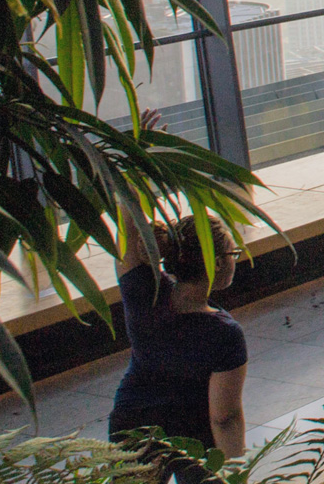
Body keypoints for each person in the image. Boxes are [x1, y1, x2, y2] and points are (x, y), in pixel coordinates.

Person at [107, 110, 248, 465]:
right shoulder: (224, 334)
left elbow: (128, 221)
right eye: (233, 252)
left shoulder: (144, 292)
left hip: (133, 422)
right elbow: (224, 417)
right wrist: (234, 471)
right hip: (194, 435)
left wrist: (135, 159)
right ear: (217, 264)